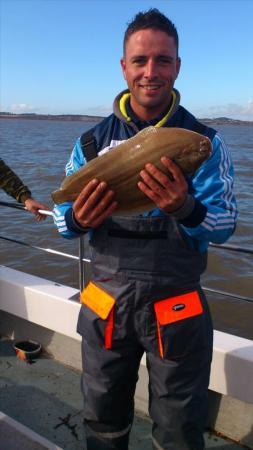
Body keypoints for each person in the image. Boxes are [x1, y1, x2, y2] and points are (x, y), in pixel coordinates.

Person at [53, 9, 237, 450]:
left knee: (178, 424)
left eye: (163, 60)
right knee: (101, 414)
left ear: (177, 65)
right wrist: (80, 218)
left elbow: (226, 223)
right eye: (140, 60)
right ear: (124, 66)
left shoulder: (204, 141)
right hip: (104, 302)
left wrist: (186, 208)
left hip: (177, 304)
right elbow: (62, 218)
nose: (150, 72)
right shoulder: (91, 143)